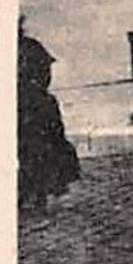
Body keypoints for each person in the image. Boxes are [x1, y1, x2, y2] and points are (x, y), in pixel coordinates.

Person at [18, 18, 81, 209]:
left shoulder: (30, 47)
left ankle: (37, 191)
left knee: (38, 148)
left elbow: (45, 75)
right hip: (33, 105)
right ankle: (35, 191)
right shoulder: (32, 46)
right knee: (34, 149)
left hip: (29, 106)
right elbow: (45, 76)